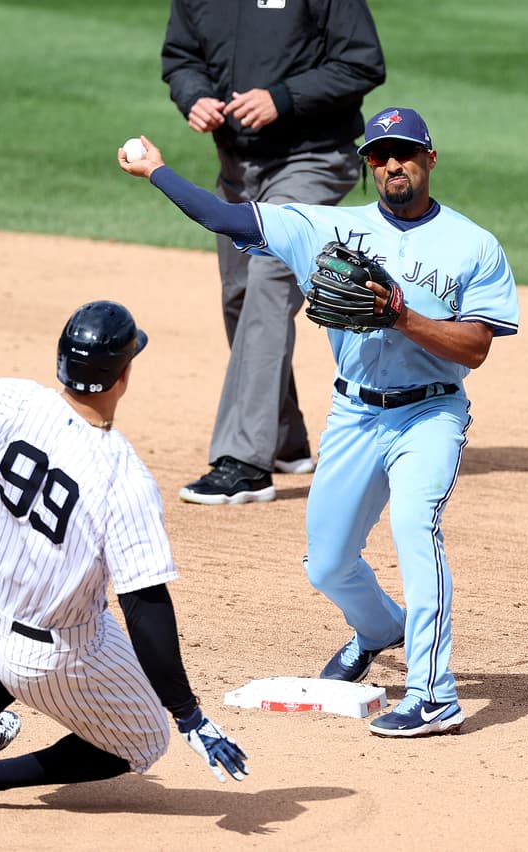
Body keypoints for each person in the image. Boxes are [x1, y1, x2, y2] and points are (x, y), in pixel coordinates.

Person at [118, 107, 520, 737]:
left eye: (405, 153)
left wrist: (401, 318)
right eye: (380, 155)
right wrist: (158, 172)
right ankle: (379, 628)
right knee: (327, 564)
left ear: (429, 160)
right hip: (355, 413)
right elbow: (226, 217)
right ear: (368, 165)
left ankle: (434, 694)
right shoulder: (322, 228)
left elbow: (475, 348)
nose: (392, 165)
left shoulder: (473, 245)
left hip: (430, 413)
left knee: (417, 527)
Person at [0, 300, 248, 798]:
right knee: (146, 740)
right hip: (47, 659)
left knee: (79, 618)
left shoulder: (10, 402)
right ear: (123, 377)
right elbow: (146, 608)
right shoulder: (123, 477)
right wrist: (188, 714)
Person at [161, 0, 386, 505]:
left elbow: (363, 61)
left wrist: (282, 98)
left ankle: (244, 461)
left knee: (268, 280)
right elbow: (181, 56)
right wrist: (194, 95)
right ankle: (283, 438)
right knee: (238, 298)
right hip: (237, 168)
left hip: (312, 160)